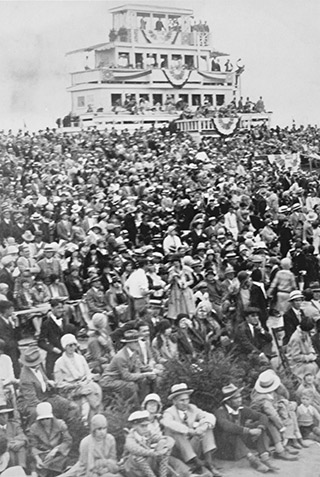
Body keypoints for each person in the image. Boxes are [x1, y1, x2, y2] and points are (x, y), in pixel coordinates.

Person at [214, 383, 279, 472]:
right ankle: (254, 461)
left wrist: (259, 429)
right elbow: (227, 426)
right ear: (228, 401)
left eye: (240, 396)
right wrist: (249, 431)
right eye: (236, 398)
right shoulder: (220, 412)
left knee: (258, 426)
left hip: (240, 445)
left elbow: (262, 416)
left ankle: (264, 457)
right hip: (225, 450)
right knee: (233, 432)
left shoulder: (241, 409)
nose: (239, 399)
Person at [162, 383, 222, 476]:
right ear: (174, 401)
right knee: (176, 432)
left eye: (187, 399)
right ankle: (197, 462)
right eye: (182, 400)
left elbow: (209, 416)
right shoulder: (169, 412)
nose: (185, 403)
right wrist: (190, 431)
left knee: (207, 427)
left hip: (191, 447)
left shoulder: (192, 408)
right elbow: (168, 423)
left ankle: (209, 463)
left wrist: (203, 427)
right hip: (177, 451)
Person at [54, 334, 102, 426]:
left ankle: (88, 418)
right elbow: (59, 384)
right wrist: (74, 385)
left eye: (74, 345)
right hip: (70, 388)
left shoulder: (80, 358)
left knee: (92, 388)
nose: (73, 347)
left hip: (84, 383)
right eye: (70, 345)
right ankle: (94, 415)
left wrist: (86, 380)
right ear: (65, 346)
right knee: (89, 392)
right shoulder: (59, 362)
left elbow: (87, 373)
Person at [29, 402, 72, 477]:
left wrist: (57, 449)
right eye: (42, 419)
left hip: (58, 454)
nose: (45, 421)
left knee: (65, 461)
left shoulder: (60, 424)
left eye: (47, 418)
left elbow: (68, 440)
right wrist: (37, 458)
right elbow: (33, 446)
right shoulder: (34, 428)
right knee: (36, 465)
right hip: (43, 454)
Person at [123, 410, 171, 477]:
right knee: (137, 456)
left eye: (146, 426)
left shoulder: (148, 434)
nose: (145, 429)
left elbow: (158, 437)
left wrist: (162, 442)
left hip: (147, 464)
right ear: (134, 426)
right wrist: (153, 453)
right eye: (142, 426)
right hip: (133, 468)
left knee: (164, 447)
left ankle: (163, 475)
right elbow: (135, 449)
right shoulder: (130, 437)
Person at [38, 298, 73, 379]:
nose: (61, 310)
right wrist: (52, 348)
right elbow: (40, 342)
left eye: (62, 308)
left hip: (66, 355)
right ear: (52, 309)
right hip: (54, 357)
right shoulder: (46, 324)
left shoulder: (65, 320)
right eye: (58, 308)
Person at [0, 300, 20, 377]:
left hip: (13, 351)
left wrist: (16, 324)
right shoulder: (1, 323)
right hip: (7, 351)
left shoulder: (9, 321)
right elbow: (5, 338)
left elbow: (18, 337)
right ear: (5, 310)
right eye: (11, 308)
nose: (13, 310)